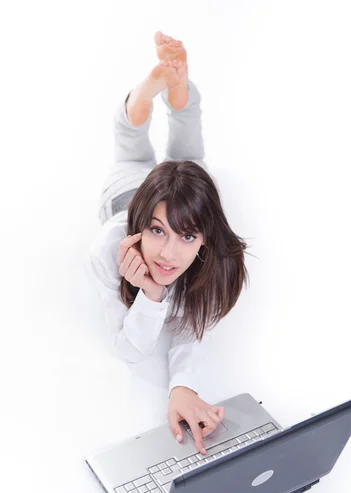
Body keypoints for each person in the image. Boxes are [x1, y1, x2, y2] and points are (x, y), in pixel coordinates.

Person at [85, 31, 250, 456]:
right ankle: (147, 100)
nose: (167, 254)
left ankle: (171, 93)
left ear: (206, 238)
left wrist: (182, 386)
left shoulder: (217, 263)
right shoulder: (110, 246)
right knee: (137, 160)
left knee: (192, 164)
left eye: (188, 236)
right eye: (158, 232)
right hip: (127, 197)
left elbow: (191, 327)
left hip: (178, 197)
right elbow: (130, 350)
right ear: (145, 228)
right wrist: (151, 293)